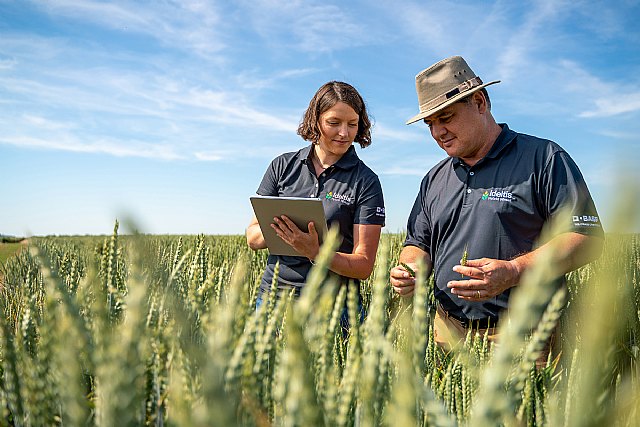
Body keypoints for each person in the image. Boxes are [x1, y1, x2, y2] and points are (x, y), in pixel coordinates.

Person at [389, 56, 604, 361]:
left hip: (522, 336)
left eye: (446, 117)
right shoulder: (434, 178)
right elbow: (417, 243)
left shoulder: (543, 158)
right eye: (430, 123)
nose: (438, 132)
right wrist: (409, 270)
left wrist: (514, 271)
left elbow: (586, 239)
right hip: (447, 333)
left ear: (479, 103)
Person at [247, 81, 385, 311]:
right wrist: (283, 227)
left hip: (334, 308)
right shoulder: (282, 166)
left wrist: (316, 252)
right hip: (273, 300)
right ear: (315, 120)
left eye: (352, 124)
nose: (344, 133)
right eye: (334, 123)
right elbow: (253, 239)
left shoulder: (366, 181)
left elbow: (363, 266)